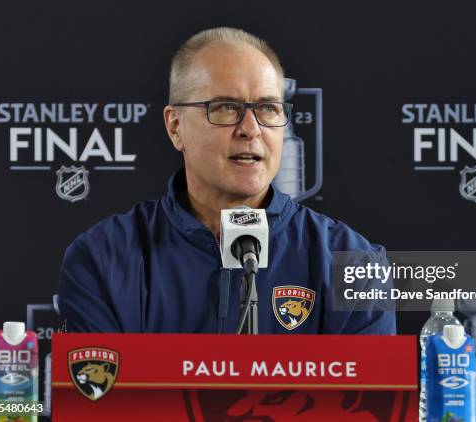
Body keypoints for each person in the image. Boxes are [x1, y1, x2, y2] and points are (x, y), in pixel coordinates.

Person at [57, 27, 395, 334]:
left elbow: (363, 402)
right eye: (225, 108)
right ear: (175, 127)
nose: (250, 129)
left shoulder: (353, 263)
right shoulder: (103, 258)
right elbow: (100, 398)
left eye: (268, 109)